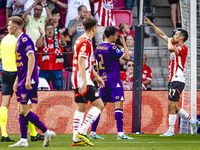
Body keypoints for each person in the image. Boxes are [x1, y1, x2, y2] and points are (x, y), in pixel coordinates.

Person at [144, 16, 200, 136]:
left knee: (171, 105)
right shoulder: (175, 45)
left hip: (178, 79)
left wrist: (169, 40)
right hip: (173, 79)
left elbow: (169, 46)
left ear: (181, 38)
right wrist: (152, 25)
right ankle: (193, 121)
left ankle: (171, 130)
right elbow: (162, 35)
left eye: (176, 35)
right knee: (173, 105)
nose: (173, 36)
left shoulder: (183, 48)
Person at [7, 16, 55, 147]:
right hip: (22, 79)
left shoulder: (24, 39)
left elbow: (32, 57)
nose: (7, 27)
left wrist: (28, 79)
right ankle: (23, 139)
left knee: (25, 110)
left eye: (9, 24)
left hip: (28, 80)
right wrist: (17, 80)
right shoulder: (18, 40)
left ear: (15, 27)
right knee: (21, 110)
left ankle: (46, 131)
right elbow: (22, 64)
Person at [89, 26, 134, 140]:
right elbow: (127, 57)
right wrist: (124, 44)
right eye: (116, 35)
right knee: (118, 106)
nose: (118, 37)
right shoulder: (111, 47)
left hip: (103, 82)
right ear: (111, 37)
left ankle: (93, 132)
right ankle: (120, 134)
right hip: (114, 81)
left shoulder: (98, 48)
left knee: (99, 108)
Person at [0, 32, 44, 142]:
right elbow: (22, 59)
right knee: (25, 105)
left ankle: (4, 134)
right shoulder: (18, 40)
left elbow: (2, 58)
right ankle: (34, 134)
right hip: (18, 73)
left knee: (4, 103)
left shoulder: (4, 40)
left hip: (5, 73)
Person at [71, 16, 104, 146]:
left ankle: (75, 138)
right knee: (99, 105)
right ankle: (82, 132)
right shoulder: (86, 42)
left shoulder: (80, 40)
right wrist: (85, 82)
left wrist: (96, 76)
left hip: (77, 78)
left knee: (81, 107)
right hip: (82, 79)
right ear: (94, 29)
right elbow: (81, 61)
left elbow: (87, 63)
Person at [36, 23, 66, 90]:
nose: (50, 30)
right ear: (45, 31)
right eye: (48, 29)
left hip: (57, 69)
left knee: (59, 91)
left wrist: (61, 34)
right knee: (42, 90)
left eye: (51, 29)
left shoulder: (58, 38)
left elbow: (63, 43)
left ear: (54, 30)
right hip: (43, 70)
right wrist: (41, 35)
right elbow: (38, 45)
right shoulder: (42, 39)